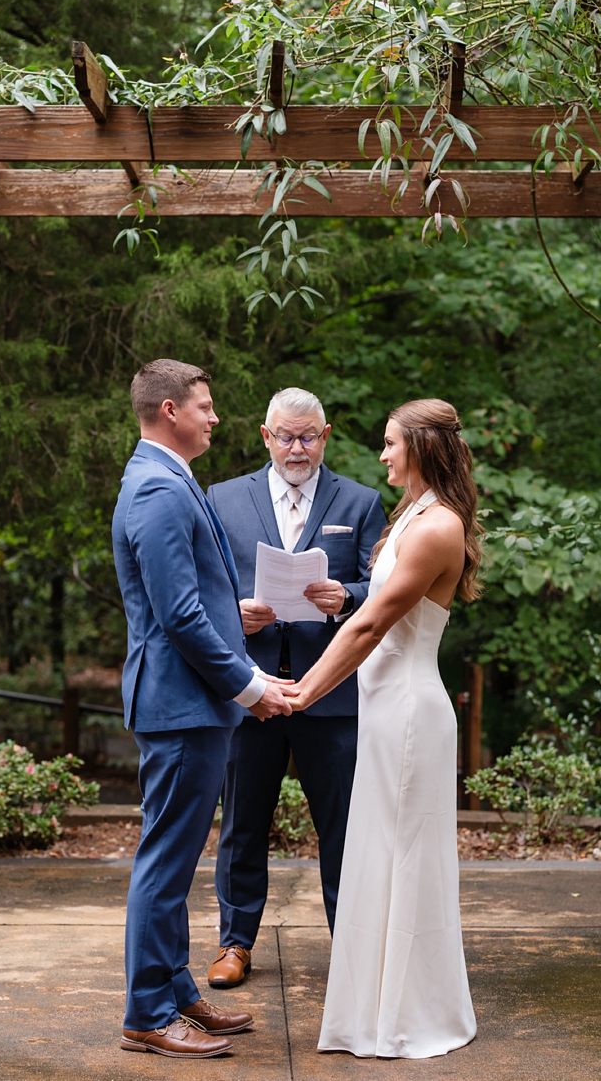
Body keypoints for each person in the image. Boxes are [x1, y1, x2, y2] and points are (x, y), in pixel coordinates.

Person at [281, 398, 480, 1058]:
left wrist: (304, 691)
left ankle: (407, 1016)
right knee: (378, 854)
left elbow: (371, 626)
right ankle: (372, 1009)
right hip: (383, 708)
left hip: (410, 714)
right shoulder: (412, 515)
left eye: (392, 444)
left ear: (422, 447)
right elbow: (364, 611)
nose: (384, 454)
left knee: (406, 859)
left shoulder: (437, 526)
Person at [111, 359, 294, 1060]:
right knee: (165, 862)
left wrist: (232, 611)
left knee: (178, 857)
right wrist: (251, 687)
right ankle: (147, 1013)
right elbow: (178, 617)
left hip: (189, 702)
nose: (216, 417)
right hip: (182, 705)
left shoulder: (166, 477)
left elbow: (193, 604)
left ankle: (178, 991)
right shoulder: (158, 488)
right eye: (205, 407)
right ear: (167, 411)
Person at [203, 387, 386, 988]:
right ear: (265, 436)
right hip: (250, 688)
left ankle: (353, 946)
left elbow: (381, 586)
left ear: (325, 436)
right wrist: (234, 611)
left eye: (308, 437)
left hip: (330, 694)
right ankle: (235, 943)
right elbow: (202, 588)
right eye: (286, 436)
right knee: (242, 823)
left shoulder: (359, 501)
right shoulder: (222, 498)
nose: (297, 448)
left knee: (341, 825)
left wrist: (347, 597)